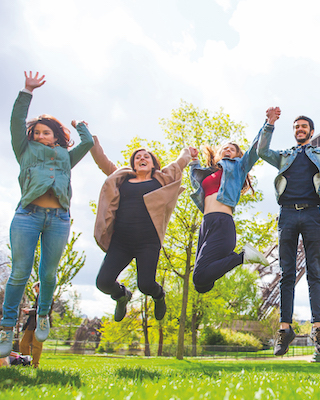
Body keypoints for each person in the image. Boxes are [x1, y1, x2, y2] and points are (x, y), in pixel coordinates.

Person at [0, 72, 94, 358]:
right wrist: (27, 91)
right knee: (19, 272)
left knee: (48, 273)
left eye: (45, 132)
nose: (40, 135)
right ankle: (6, 327)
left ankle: (43, 315)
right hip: (27, 216)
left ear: (56, 136)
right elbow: (17, 121)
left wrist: (80, 127)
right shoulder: (24, 150)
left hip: (58, 219)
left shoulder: (66, 157)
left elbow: (87, 144)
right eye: (36, 132)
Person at [259, 112, 320, 356]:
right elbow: (263, 150)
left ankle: (317, 327)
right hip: (286, 214)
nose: (299, 129)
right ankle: (285, 329)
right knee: (287, 273)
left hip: (312, 214)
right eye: (296, 126)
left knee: (314, 272)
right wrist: (270, 124)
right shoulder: (285, 155)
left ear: (310, 130)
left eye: (304, 126)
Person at [91, 136, 196, 322]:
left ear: (153, 163)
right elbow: (102, 161)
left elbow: (179, 163)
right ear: (133, 164)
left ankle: (159, 295)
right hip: (121, 241)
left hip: (148, 241)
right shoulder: (121, 178)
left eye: (146, 156)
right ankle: (122, 296)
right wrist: (91, 140)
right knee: (103, 283)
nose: (141, 158)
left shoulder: (161, 179)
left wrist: (188, 152)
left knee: (146, 285)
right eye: (137, 157)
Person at [189, 110, 277, 294]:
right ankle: (238, 257)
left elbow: (255, 149)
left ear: (238, 155)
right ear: (218, 154)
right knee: (201, 285)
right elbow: (196, 185)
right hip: (206, 224)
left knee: (199, 276)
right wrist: (194, 161)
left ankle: (243, 256)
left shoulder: (239, 167)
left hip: (222, 223)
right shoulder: (209, 173)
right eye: (225, 148)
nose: (228, 149)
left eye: (233, 148)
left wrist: (268, 123)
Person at [19, 282, 44, 368]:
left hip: (40, 324)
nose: (35, 290)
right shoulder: (38, 297)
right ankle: (25, 361)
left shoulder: (47, 298)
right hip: (31, 324)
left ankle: (35, 364)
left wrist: (29, 311)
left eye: (36, 288)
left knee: (37, 345)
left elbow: (42, 311)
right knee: (23, 344)